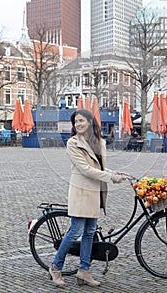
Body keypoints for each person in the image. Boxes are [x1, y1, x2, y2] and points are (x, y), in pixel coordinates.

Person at [49, 109, 126, 287]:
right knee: (75, 231)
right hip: (81, 191)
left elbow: (98, 166)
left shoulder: (98, 142)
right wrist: (111, 177)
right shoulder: (73, 143)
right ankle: (55, 267)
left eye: (82, 121)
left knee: (90, 232)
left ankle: (84, 271)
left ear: (91, 122)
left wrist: (113, 173)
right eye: (76, 122)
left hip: (94, 192)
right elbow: (85, 169)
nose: (78, 124)